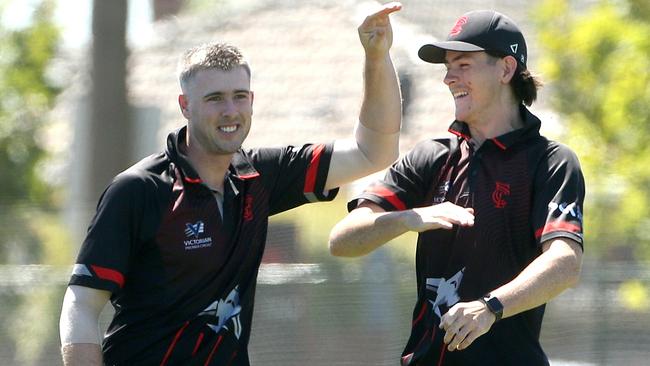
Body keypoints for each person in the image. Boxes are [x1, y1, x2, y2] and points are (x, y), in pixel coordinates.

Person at [59, 3, 403, 365]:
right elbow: (81, 304)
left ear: (252, 101)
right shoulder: (139, 189)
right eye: (214, 98)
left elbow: (373, 152)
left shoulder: (261, 175)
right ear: (185, 105)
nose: (230, 110)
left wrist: (377, 58)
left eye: (239, 96)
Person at [329, 9, 585, 366]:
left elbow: (565, 262)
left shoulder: (552, 162)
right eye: (448, 66)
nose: (449, 78)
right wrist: (408, 218)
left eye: (463, 65)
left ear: (506, 69)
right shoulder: (431, 156)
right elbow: (342, 239)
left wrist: (490, 308)